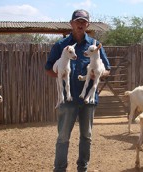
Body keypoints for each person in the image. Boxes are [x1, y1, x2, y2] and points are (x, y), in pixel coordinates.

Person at [45, 9, 111, 172]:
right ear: (71, 23)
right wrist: (59, 75)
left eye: (83, 22)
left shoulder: (94, 45)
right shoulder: (61, 45)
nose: (80, 24)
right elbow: (48, 68)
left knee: (86, 137)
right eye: (77, 21)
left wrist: (100, 74)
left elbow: (107, 69)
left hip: (88, 100)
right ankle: (60, 169)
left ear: (87, 24)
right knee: (63, 137)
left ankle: (83, 168)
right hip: (68, 100)